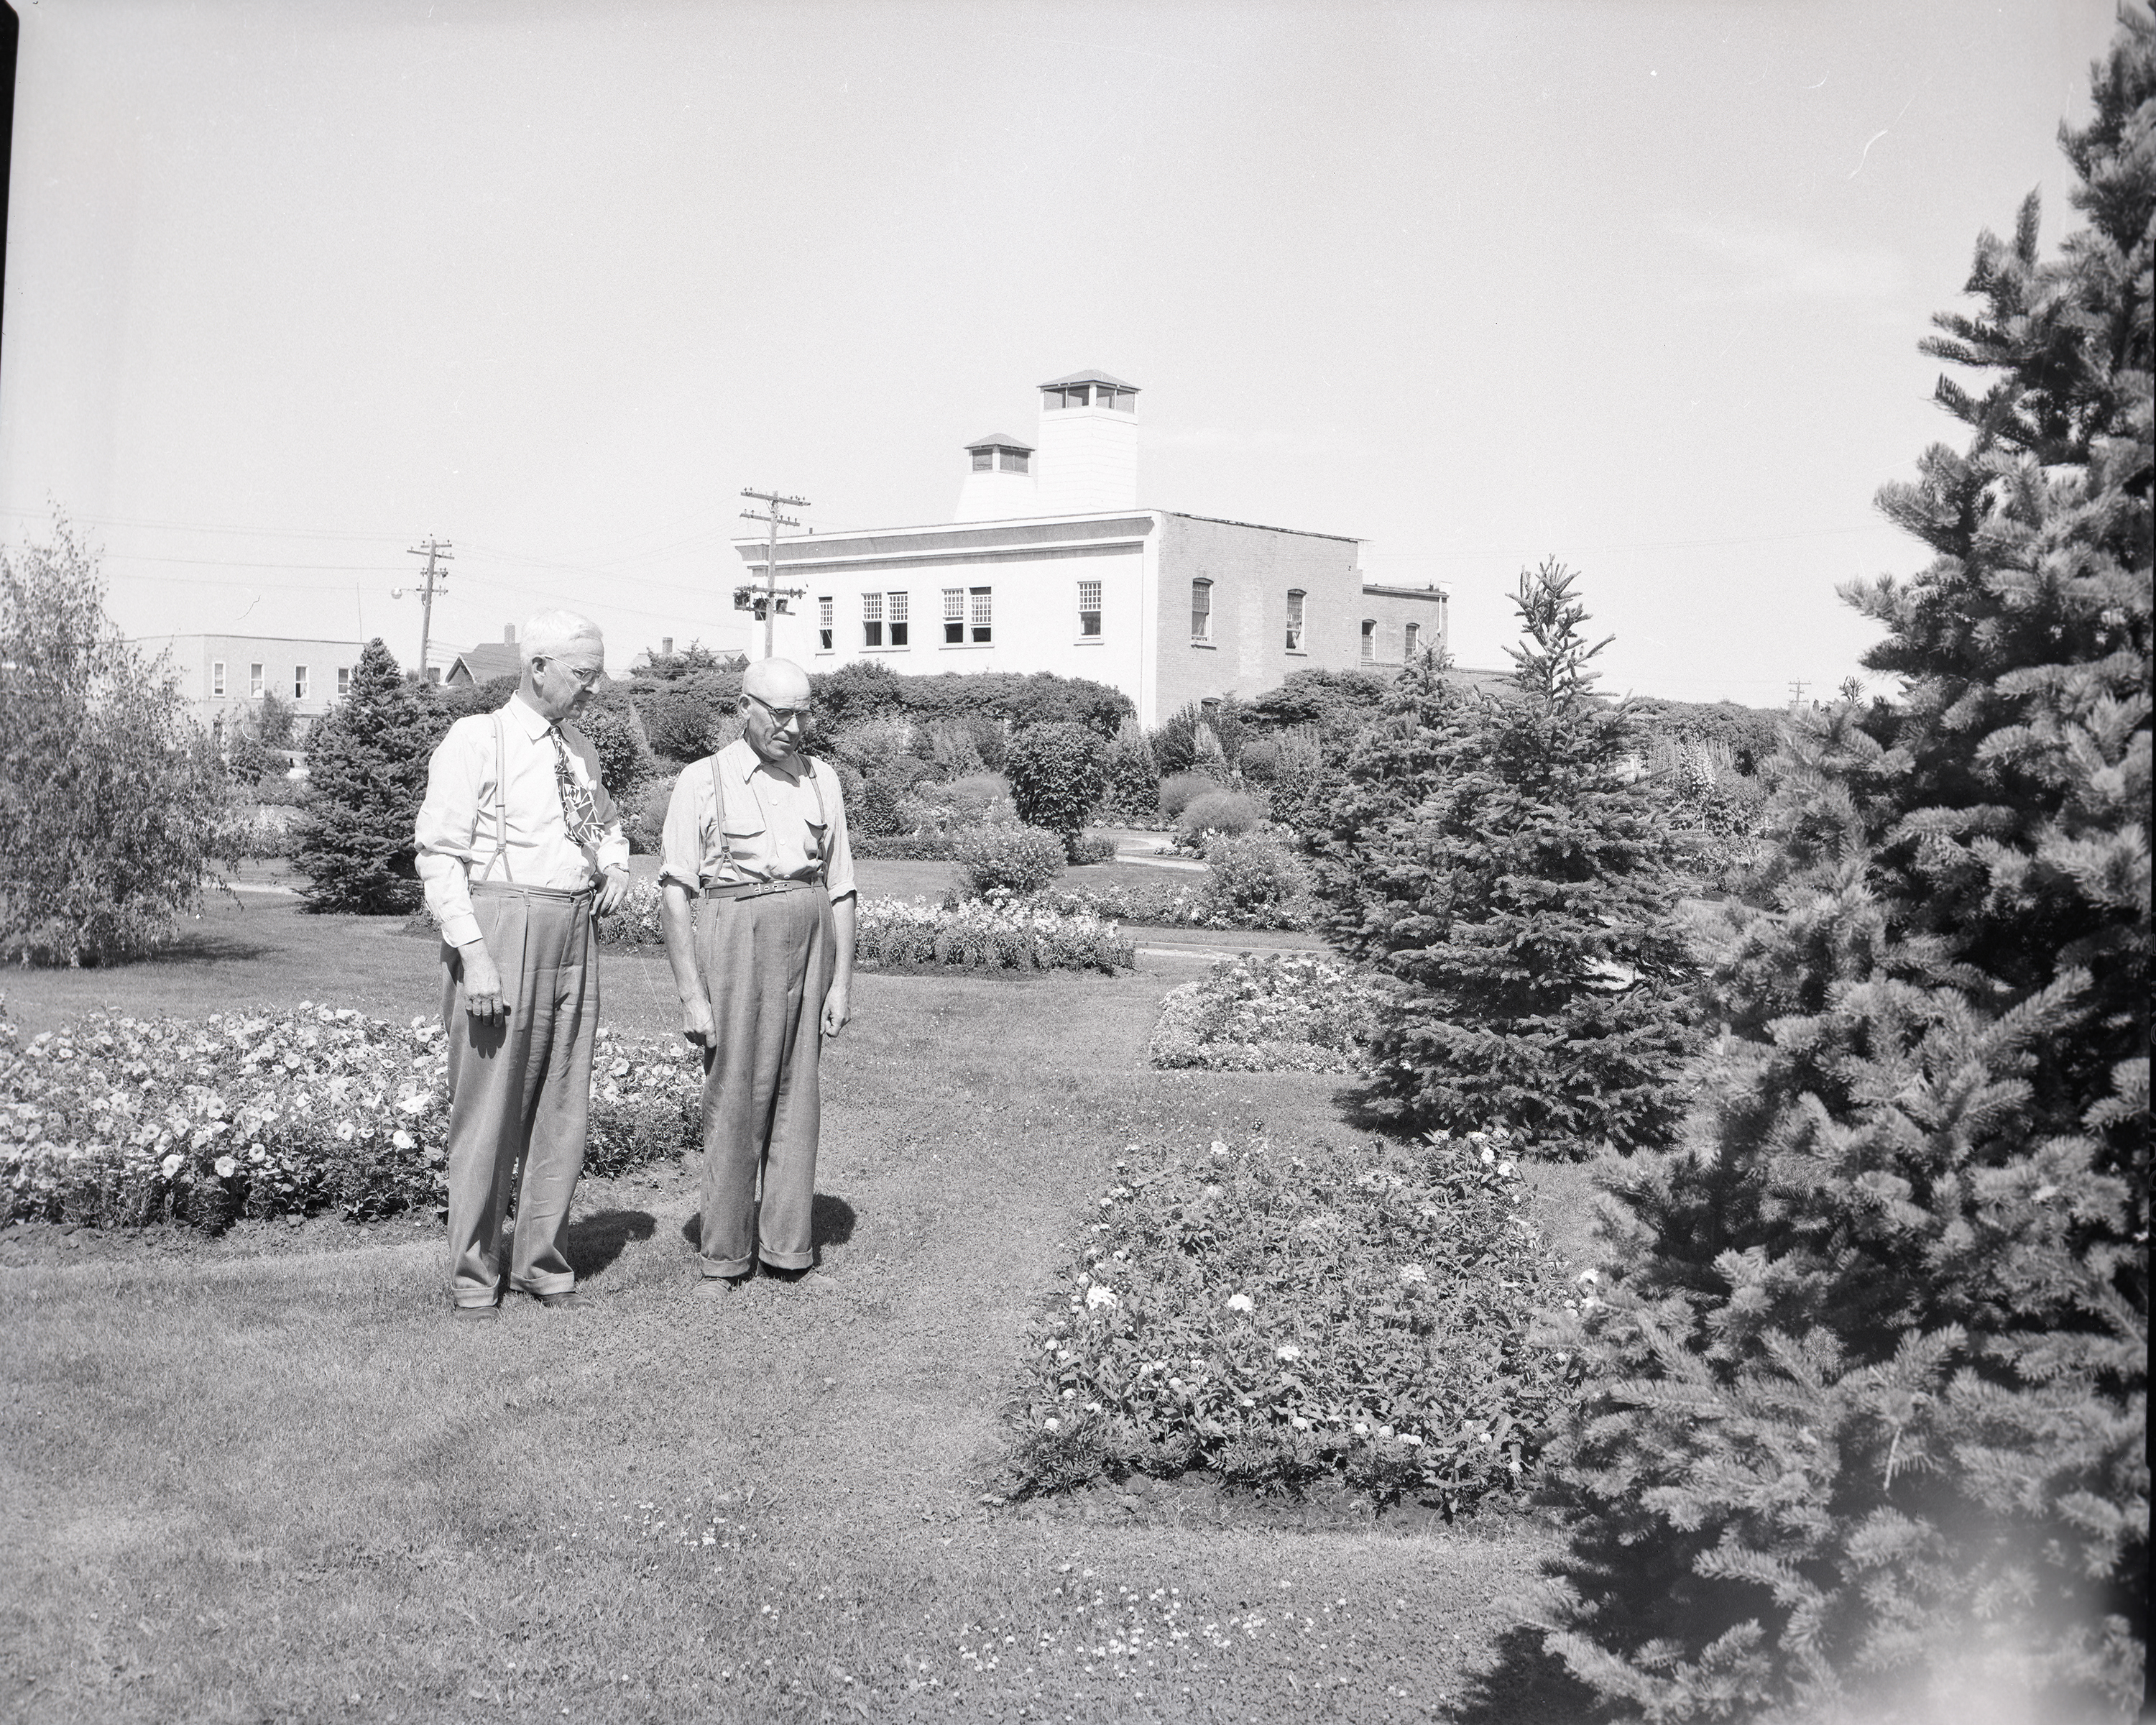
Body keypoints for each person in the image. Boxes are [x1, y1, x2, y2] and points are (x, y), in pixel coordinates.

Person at [414, 611, 630, 1320]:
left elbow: (602, 821)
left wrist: (616, 863)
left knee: (562, 1109)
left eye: (598, 674)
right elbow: (440, 854)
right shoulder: (477, 740)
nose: (594, 690)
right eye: (582, 675)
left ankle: (544, 1266)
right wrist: (473, 954)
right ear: (538, 667)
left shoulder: (580, 749)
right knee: (487, 1115)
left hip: (573, 930)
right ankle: (476, 1278)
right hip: (501, 925)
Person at [657, 656, 856, 1294]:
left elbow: (843, 886)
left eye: (805, 713)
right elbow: (675, 891)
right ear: (746, 706)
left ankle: (788, 1250)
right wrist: (693, 995)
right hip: (735, 935)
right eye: (781, 713)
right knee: (734, 1097)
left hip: (809, 932)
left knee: (799, 1100)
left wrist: (842, 982)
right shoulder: (702, 778)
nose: (795, 727)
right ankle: (723, 1255)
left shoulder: (823, 779)